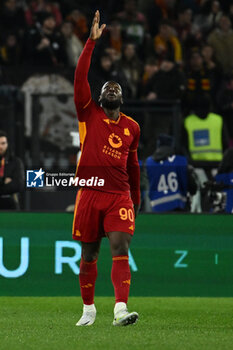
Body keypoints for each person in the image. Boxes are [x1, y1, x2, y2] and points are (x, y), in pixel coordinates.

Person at [72, 11, 140, 327]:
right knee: (88, 255)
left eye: (116, 87)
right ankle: (88, 310)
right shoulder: (89, 114)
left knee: (120, 246)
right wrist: (91, 42)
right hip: (90, 193)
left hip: (118, 196)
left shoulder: (132, 128)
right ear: (99, 98)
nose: (111, 88)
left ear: (121, 98)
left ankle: (120, 310)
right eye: (107, 87)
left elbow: (134, 165)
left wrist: (136, 199)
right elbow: (80, 77)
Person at [146, 134, 197, 212]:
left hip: (156, 207)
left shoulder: (149, 162)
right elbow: (192, 187)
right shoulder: (179, 161)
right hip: (177, 206)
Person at [0, 130, 24, 209]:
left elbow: (19, 185)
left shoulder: (16, 162)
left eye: (3, 143)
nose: (0, 146)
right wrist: (4, 181)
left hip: (11, 205)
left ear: (7, 144)